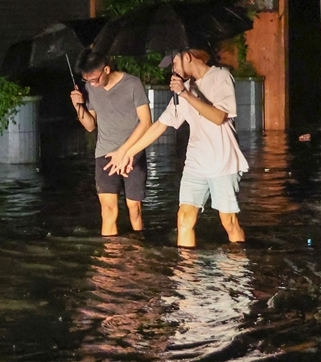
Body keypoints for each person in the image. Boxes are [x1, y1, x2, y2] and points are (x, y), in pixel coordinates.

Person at [105, 48, 248, 248]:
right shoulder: (185, 88)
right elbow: (159, 125)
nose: (172, 71)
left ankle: (237, 269)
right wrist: (126, 153)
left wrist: (185, 93)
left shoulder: (220, 76)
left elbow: (219, 117)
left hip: (223, 162)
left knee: (229, 222)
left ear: (187, 57)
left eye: (174, 65)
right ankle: (186, 274)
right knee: (184, 218)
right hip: (195, 164)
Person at [70, 49, 151, 236]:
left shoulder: (132, 84)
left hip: (132, 152)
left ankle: (139, 250)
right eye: (87, 80)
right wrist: (78, 106)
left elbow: (146, 122)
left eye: (95, 79)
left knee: (134, 208)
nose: (92, 84)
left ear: (106, 69)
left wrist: (124, 152)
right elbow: (90, 126)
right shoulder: (91, 88)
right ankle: (109, 259)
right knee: (108, 211)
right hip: (105, 154)